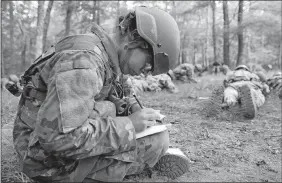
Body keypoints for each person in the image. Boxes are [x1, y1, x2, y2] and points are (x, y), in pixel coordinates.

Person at [11, 6, 190, 182]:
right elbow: (58, 139)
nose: (145, 73)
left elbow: (119, 92)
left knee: (137, 124)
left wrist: (133, 108)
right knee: (156, 141)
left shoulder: (106, 55)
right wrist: (129, 125)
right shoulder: (84, 62)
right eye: (149, 64)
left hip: (41, 142)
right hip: (42, 161)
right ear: (135, 39)